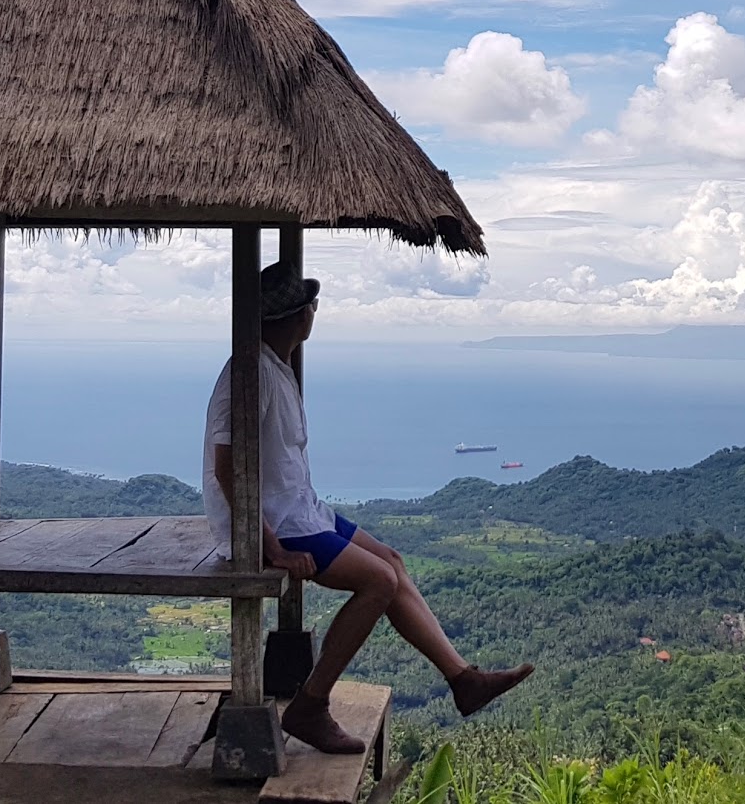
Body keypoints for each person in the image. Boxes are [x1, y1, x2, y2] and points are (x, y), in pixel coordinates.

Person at [203, 260, 534, 755]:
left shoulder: (275, 365)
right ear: (299, 316)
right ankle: (311, 705)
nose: (315, 311)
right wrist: (270, 547)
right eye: (312, 304)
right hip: (273, 522)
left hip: (299, 510)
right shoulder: (250, 372)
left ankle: (464, 679)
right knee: (377, 581)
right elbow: (227, 466)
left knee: (392, 561)